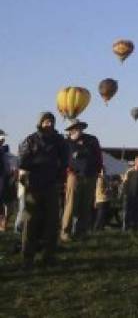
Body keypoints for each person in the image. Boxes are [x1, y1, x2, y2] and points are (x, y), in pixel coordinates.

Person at [18, 111, 68, 268]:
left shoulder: (59, 141)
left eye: (52, 121)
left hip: (51, 186)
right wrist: (36, 164)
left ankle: (49, 256)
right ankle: (28, 258)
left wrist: (60, 177)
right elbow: (22, 161)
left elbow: (65, 160)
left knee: (52, 223)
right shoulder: (31, 140)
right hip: (33, 187)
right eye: (46, 121)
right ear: (40, 123)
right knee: (30, 222)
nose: (50, 124)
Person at [59, 119, 102, 242]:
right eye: (75, 127)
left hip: (90, 176)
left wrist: (98, 170)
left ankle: (81, 232)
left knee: (85, 206)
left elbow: (98, 156)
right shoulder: (65, 143)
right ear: (70, 130)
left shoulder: (92, 140)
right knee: (71, 205)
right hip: (74, 176)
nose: (78, 129)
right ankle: (65, 232)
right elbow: (62, 160)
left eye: (79, 127)